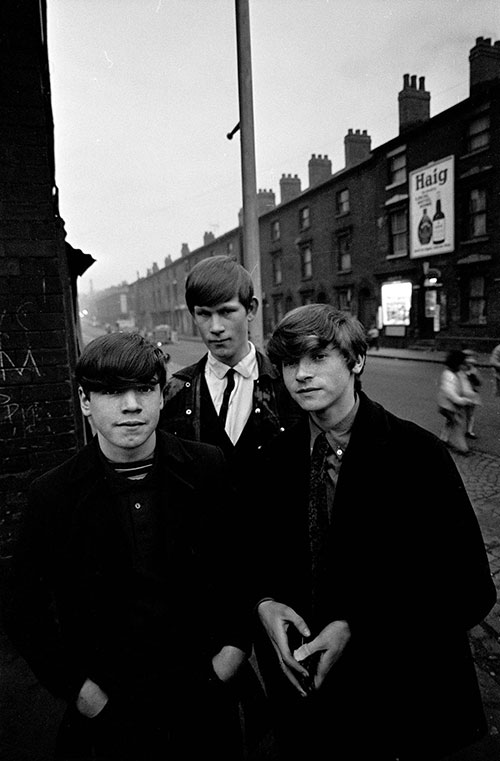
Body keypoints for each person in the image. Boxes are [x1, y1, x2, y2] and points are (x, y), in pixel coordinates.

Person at [251, 304, 496, 761]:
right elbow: (257, 560)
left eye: (318, 357)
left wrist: (356, 628)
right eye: (289, 362)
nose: (301, 374)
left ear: (356, 360)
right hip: (311, 713)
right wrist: (265, 604)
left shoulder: (417, 456)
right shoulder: (273, 458)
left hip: (399, 710)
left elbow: (470, 591)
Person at [6, 332, 251, 761]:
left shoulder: (207, 466)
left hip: (203, 701)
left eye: (144, 389)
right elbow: (25, 609)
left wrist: (228, 659)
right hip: (110, 714)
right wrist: (82, 693)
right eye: (112, 391)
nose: (132, 405)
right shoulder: (54, 494)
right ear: (85, 402)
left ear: (161, 395)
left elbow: (241, 570)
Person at [159, 254, 303, 756]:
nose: (215, 328)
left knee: (295, 696)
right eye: (203, 314)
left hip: (280, 574)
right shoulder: (175, 393)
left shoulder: (289, 387)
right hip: (208, 579)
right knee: (212, 701)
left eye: (227, 311)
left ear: (252, 309)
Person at [437, 349, 477, 454]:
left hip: (447, 405)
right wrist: (461, 400)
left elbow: (463, 386)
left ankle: (443, 439)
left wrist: (468, 395)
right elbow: (449, 392)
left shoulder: (455, 373)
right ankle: (463, 448)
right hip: (448, 405)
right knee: (459, 426)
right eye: (462, 364)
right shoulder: (449, 375)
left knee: (450, 422)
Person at [462, 349, 482, 438]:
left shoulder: (474, 371)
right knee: (454, 415)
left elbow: (479, 383)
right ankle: (445, 436)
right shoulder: (460, 370)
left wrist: (474, 378)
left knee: (470, 414)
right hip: (461, 394)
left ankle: (469, 431)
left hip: (471, 395)